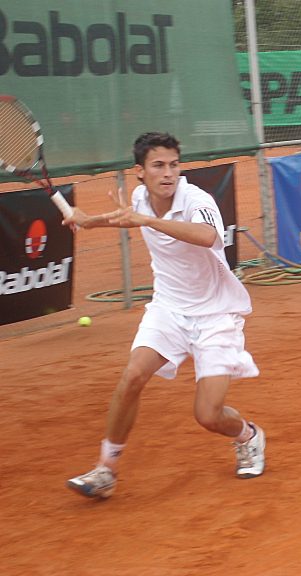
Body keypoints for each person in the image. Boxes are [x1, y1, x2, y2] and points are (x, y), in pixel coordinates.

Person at [64, 132, 265, 499]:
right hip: (169, 310)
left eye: (174, 164)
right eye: (158, 166)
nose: (168, 173)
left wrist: (147, 221)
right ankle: (105, 470)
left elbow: (206, 237)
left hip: (216, 315)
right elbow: (128, 218)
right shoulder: (141, 198)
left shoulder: (197, 199)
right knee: (133, 375)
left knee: (208, 414)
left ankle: (248, 436)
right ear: (139, 171)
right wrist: (89, 220)